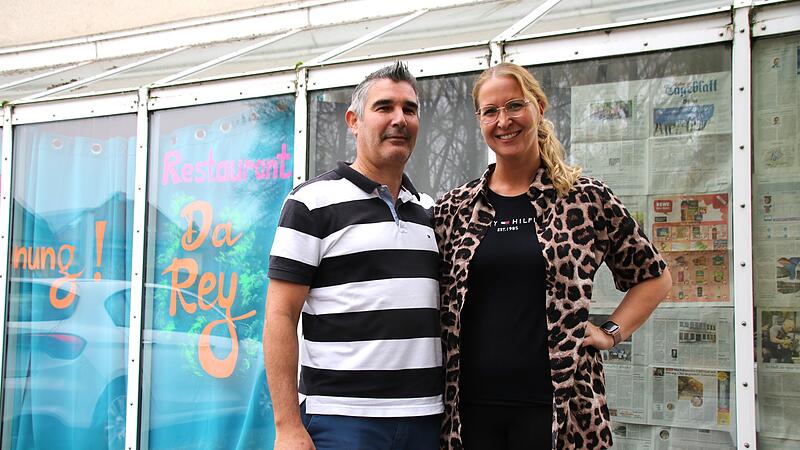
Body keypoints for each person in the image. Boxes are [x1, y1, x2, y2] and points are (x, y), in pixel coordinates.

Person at [434, 63, 672, 449]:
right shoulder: (456, 208)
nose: (503, 120)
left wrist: (610, 332)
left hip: (561, 408)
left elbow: (655, 277)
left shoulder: (586, 198)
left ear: (539, 107)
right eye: (490, 111)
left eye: (515, 105)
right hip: (469, 411)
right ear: (479, 119)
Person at [263, 62, 442, 450]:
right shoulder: (310, 203)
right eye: (384, 107)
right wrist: (287, 426)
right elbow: (280, 315)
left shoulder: (429, 211)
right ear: (354, 121)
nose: (399, 119)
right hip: (342, 422)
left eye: (409, 110)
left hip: (427, 419)